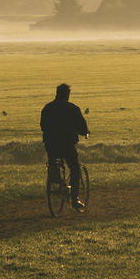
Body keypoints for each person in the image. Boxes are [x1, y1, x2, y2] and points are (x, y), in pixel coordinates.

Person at [41, 83, 89, 211]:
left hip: (51, 144)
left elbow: (43, 126)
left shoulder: (48, 108)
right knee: (74, 168)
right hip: (67, 144)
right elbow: (82, 127)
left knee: (53, 162)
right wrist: (85, 132)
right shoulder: (72, 108)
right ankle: (74, 199)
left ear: (56, 93)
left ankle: (54, 175)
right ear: (67, 95)